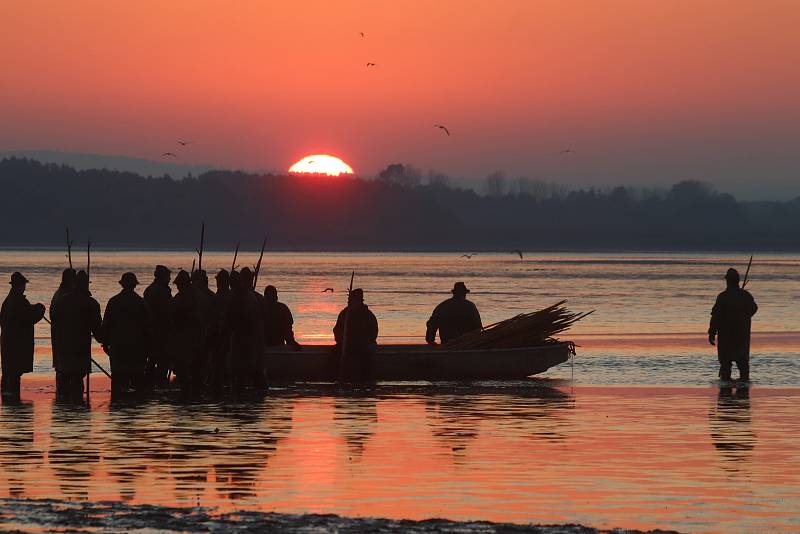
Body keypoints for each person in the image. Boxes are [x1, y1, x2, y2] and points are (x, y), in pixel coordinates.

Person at [51, 271, 102, 402]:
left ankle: (64, 406)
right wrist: (106, 343)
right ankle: (77, 406)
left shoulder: (62, 300)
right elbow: (97, 330)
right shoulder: (91, 303)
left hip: (63, 348)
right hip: (80, 349)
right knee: (77, 381)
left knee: (64, 378)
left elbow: (54, 319)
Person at [100, 272, 151, 393]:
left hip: (118, 348)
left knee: (118, 379)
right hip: (137, 348)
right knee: (137, 380)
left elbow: (106, 324)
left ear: (122, 284)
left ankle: (118, 404)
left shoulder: (113, 302)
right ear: (134, 285)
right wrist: (148, 348)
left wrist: (105, 343)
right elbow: (148, 327)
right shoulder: (141, 303)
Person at [0, 272, 46, 399]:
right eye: (24, 285)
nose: (24, 287)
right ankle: (13, 401)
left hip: (7, 344)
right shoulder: (18, 301)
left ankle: (8, 401)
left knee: (8, 374)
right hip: (16, 346)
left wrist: (33, 307)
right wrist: (40, 310)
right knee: (13, 375)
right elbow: (29, 318)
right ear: (20, 285)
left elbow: (21, 314)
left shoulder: (9, 301)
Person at [709, 268, 758, 381]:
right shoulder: (745, 296)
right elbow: (754, 308)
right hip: (742, 335)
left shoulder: (723, 297)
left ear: (728, 281)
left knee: (726, 367)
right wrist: (744, 318)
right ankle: (743, 392)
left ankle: (726, 395)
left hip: (726, 337)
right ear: (737, 281)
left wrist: (712, 332)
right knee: (743, 366)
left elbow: (715, 316)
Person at [224, 268, 265, 389]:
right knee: (251, 371)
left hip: (245, 339)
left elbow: (239, 320)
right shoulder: (250, 297)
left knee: (247, 371)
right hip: (248, 339)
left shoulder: (244, 298)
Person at [333, 288, 378, 380]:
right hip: (347, 344)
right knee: (334, 353)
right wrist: (341, 341)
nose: (349, 302)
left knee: (366, 356)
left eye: (352, 300)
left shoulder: (368, 315)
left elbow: (373, 333)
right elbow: (337, 330)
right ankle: (333, 377)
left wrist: (363, 342)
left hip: (363, 345)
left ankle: (366, 380)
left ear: (359, 301)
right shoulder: (344, 313)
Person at [169, 270, 202, 395]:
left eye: (179, 284)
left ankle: (188, 393)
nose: (177, 286)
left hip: (185, 341)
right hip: (195, 340)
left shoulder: (182, 298)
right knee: (193, 371)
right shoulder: (198, 295)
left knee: (185, 371)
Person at [143, 265, 172, 389]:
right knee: (161, 361)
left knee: (153, 360)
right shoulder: (160, 291)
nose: (169, 279)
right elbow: (165, 312)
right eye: (168, 277)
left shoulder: (151, 289)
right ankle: (159, 385)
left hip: (153, 332)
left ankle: (150, 384)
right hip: (160, 332)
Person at [50, 268, 76, 393]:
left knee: (62, 372)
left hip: (60, 341)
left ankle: (63, 400)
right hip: (66, 342)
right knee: (67, 374)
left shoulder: (59, 294)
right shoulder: (66, 296)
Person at [263, 285, 300, 349]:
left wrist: (291, 342)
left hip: (274, 344)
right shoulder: (283, 308)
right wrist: (291, 342)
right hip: (268, 344)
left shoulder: (282, 309)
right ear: (276, 297)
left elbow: (287, 329)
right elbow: (288, 330)